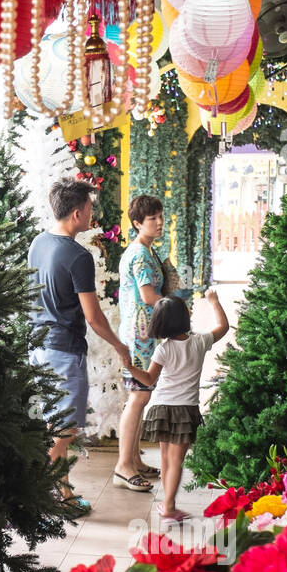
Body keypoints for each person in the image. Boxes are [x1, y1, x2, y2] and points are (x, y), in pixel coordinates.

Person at [29, 178, 131, 513]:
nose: (92, 213)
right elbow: (94, 317)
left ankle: (59, 492)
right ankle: (49, 498)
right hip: (64, 351)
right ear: (76, 212)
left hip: (38, 345)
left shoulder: (38, 243)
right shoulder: (78, 256)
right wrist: (119, 345)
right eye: (89, 208)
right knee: (64, 429)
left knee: (51, 424)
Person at [124, 289, 229, 521]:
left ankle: (167, 502)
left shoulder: (163, 349)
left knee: (165, 457)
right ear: (183, 318)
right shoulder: (200, 342)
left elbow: (149, 380)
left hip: (162, 408)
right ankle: (169, 505)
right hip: (185, 410)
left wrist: (131, 369)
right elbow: (224, 326)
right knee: (176, 461)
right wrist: (214, 301)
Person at [115, 194, 165, 492]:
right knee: (138, 397)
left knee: (140, 397)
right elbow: (148, 297)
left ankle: (133, 458)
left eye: (160, 216)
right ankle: (123, 465)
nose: (159, 223)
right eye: (152, 219)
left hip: (141, 333)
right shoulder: (141, 255)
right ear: (137, 223)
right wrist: (176, 305)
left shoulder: (143, 250)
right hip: (140, 336)